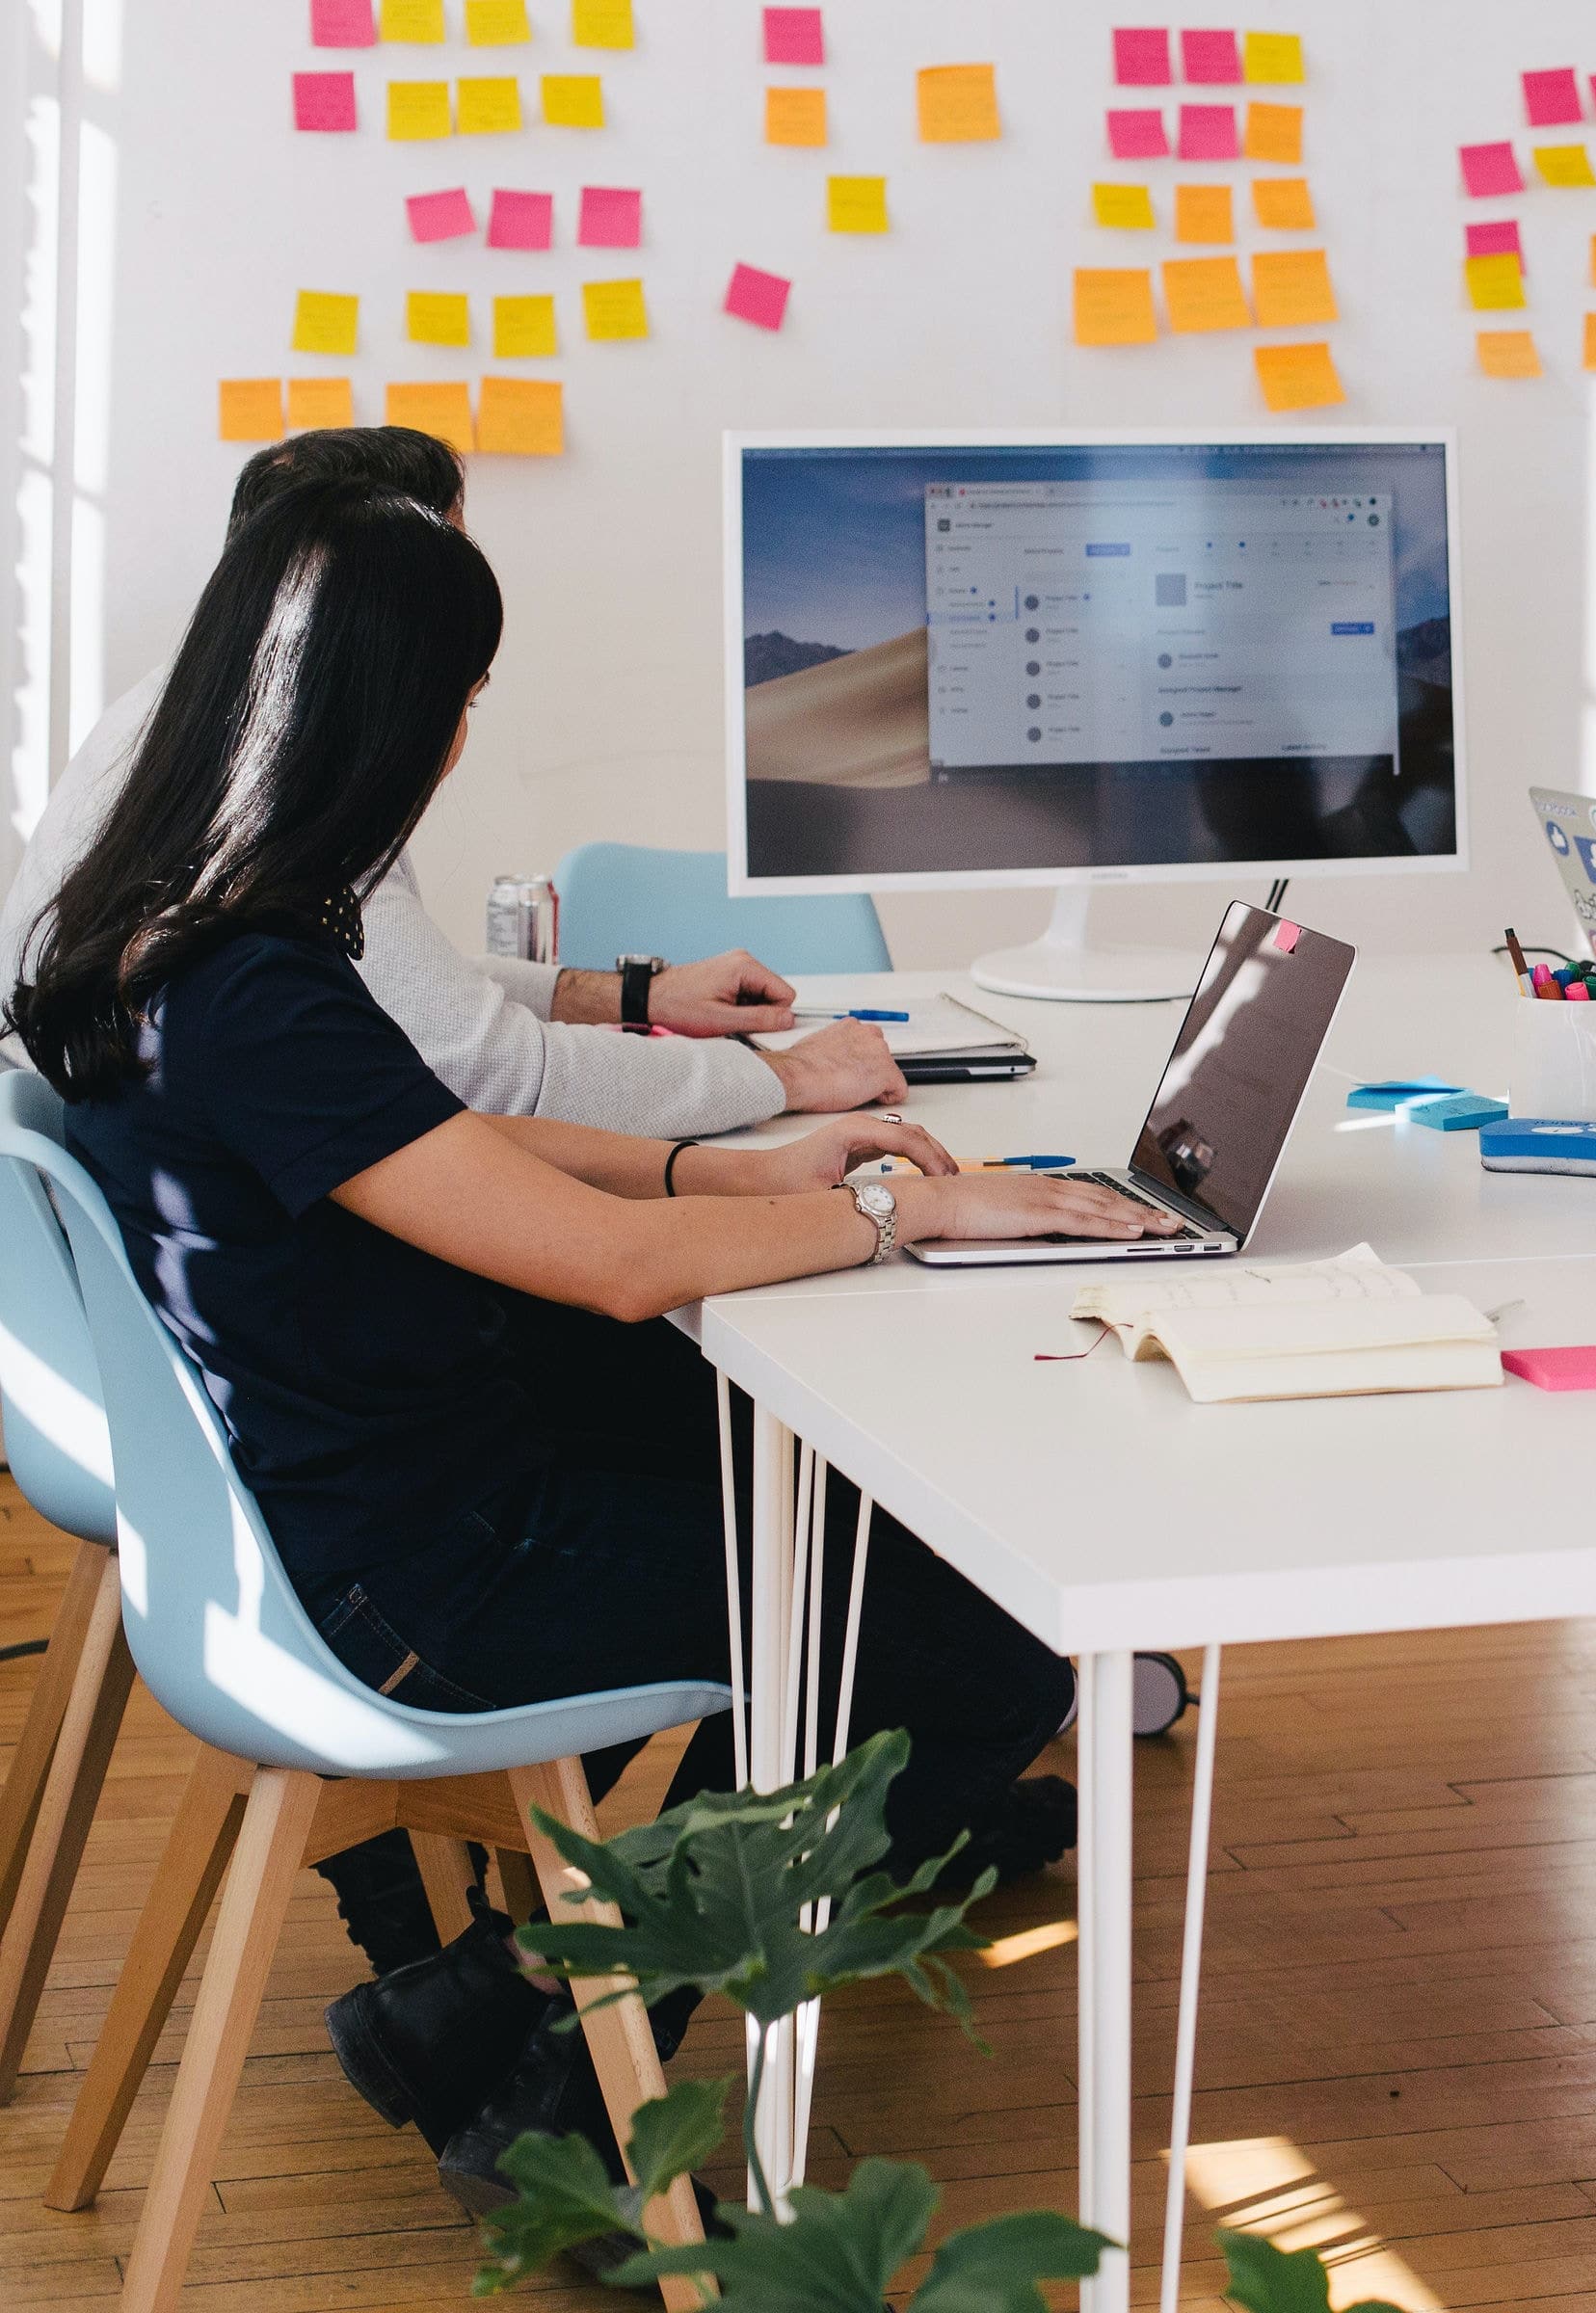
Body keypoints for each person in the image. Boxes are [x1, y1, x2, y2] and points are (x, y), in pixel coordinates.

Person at [6, 480, 1166, 2260]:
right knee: (969, 1637)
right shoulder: (264, 985)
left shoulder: (160, 932)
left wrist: (729, 1167)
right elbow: (615, 1273)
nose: (470, 738)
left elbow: (451, 1149)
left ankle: (473, 2011)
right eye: (463, 701)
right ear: (401, 717)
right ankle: (569, 2109)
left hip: (345, 1494)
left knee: (814, 1504)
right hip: (417, 1577)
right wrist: (893, 1213)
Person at [0, 425, 904, 1138]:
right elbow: (491, 1076)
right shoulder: (276, 783)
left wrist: (635, 998)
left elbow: (376, 985)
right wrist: (781, 1079)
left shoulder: (182, 723)